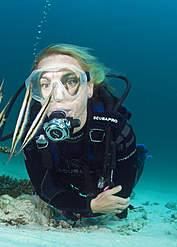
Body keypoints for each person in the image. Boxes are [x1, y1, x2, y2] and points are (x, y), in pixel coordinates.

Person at [22, 44, 147, 221]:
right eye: (45, 84)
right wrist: (89, 206)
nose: (57, 95)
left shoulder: (117, 129)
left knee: (122, 209)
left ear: (88, 88)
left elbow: (120, 199)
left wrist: (80, 208)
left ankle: (141, 153)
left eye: (70, 82)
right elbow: (45, 189)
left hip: (102, 177)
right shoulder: (32, 133)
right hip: (68, 181)